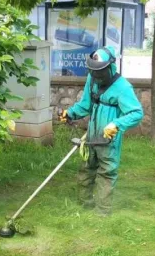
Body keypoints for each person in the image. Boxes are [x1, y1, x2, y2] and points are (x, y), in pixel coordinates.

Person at [59, 46, 144, 216]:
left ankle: (102, 211)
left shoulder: (123, 87)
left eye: (99, 71)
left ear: (110, 67)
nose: (96, 75)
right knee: (86, 168)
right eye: (93, 71)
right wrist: (71, 113)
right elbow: (86, 104)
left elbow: (136, 113)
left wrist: (116, 125)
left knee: (107, 173)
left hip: (108, 139)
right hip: (91, 136)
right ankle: (84, 204)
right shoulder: (92, 79)